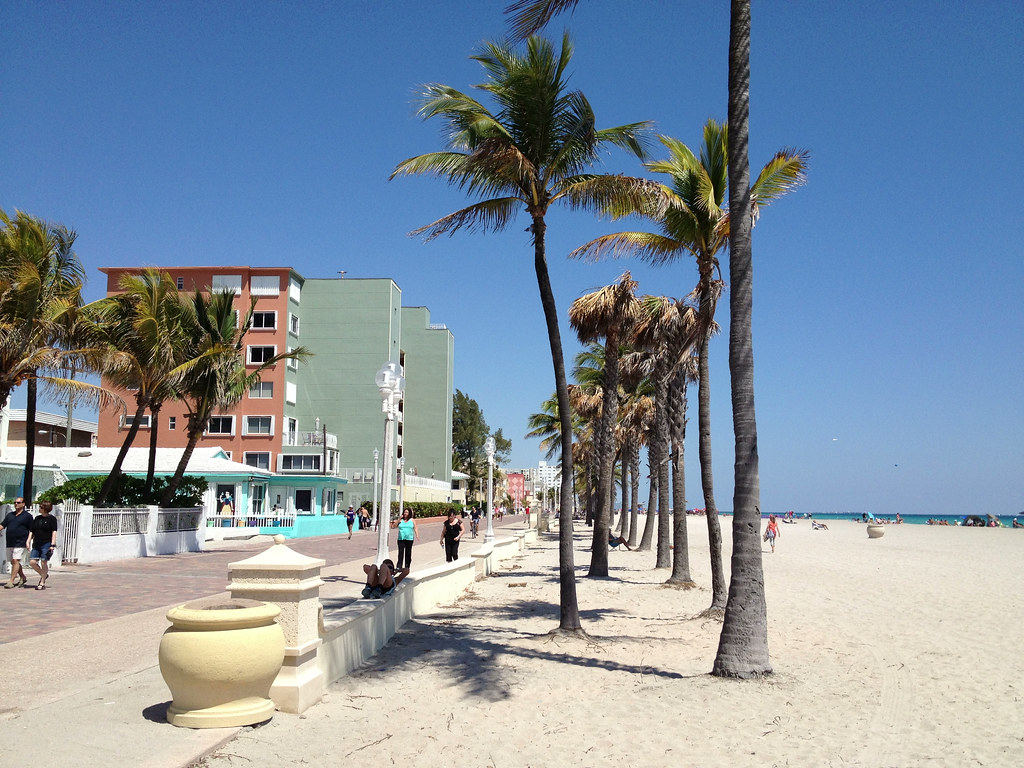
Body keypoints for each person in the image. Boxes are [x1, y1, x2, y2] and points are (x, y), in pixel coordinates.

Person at [2, 497, 33, 589]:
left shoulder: (27, 516)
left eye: (18, 502)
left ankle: (11, 581)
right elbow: (3, 525)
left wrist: (28, 541)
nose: (16, 504)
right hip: (10, 542)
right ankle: (23, 577)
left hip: (21, 542)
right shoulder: (10, 515)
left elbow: (32, 529)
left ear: (23, 504)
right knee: (13, 562)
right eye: (15, 502)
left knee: (16, 561)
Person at [26, 501, 58, 590]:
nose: (39, 508)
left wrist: (52, 544)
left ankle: (42, 582)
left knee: (44, 562)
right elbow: (32, 531)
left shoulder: (52, 519)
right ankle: (44, 574)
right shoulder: (37, 518)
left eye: (41, 507)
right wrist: (28, 541)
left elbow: (54, 532)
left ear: (45, 508)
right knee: (32, 562)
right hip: (36, 543)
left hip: (46, 543)